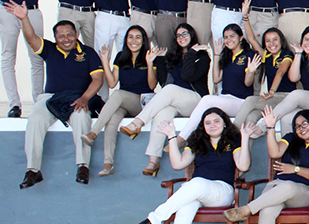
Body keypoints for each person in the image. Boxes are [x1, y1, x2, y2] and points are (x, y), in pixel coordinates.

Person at [136, 108, 252, 224]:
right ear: (203, 126)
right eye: (208, 123)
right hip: (197, 192)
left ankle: (155, 218)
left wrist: (245, 138)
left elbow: (243, 166)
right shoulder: (196, 142)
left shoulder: (233, 141)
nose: (212, 125)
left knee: (196, 184)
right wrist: (171, 137)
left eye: (216, 121)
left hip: (222, 192)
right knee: (184, 208)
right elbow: (178, 164)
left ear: (225, 123)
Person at [5, 2, 104, 188]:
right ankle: (33, 170)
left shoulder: (88, 53)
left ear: (76, 35)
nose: (66, 39)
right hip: (50, 98)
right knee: (34, 119)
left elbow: (98, 79)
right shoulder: (50, 49)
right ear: (55, 38)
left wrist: (85, 97)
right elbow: (31, 38)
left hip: (78, 98)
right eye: (61, 36)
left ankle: (83, 166)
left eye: (70, 35)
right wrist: (24, 18)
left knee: (82, 117)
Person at [119, 23, 211, 176]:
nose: (182, 37)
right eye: (179, 35)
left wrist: (191, 53)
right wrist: (160, 60)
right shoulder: (173, 56)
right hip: (176, 102)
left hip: (196, 101)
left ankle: (138, 122)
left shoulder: (201, 56)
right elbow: (164, 82)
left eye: (185, 33)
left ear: (192, 35)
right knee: (162, 113)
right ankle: (153, 160)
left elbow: (188, 76)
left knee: (169, 90)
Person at [83, 25, 160, 176]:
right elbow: (112, 82)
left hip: (143, 103)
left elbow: (152, 85)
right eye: (130, 37)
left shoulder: (150, 56)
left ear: (143, 40)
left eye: (138, 37)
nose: (134, 41)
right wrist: (105, 60)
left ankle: (93, 132)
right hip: (125, 103)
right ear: (126, 40)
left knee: (117, 94)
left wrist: (150, 64)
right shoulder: (121, 56)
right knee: (112, 120)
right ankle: (108, 163)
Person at [175, 24, 256, 141]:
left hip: (241, 101)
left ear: (241, 37)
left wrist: (251, 72)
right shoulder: (226, 56)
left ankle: (181, 138)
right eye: (226, 37)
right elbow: (216, 79)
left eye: (232, 36)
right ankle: (193, 145)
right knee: (207, 115)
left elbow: (248, 83)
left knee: (207, 100)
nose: (228, 40)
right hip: (226, 98)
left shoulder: (248, 56)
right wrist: (217, 54)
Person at [233, 6, 296, 128]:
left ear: (281, 40)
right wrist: (245, 17)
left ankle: (230, 135)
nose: (271, 43)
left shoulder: (287, 54)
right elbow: (252, 39)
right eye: (267, 41)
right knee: (251, 117)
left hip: (286, 97)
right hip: (273, 98)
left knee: (250, 101)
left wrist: (272, 91)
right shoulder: (267, 56)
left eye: (275, 40)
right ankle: (244, 146)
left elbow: (280, 73)